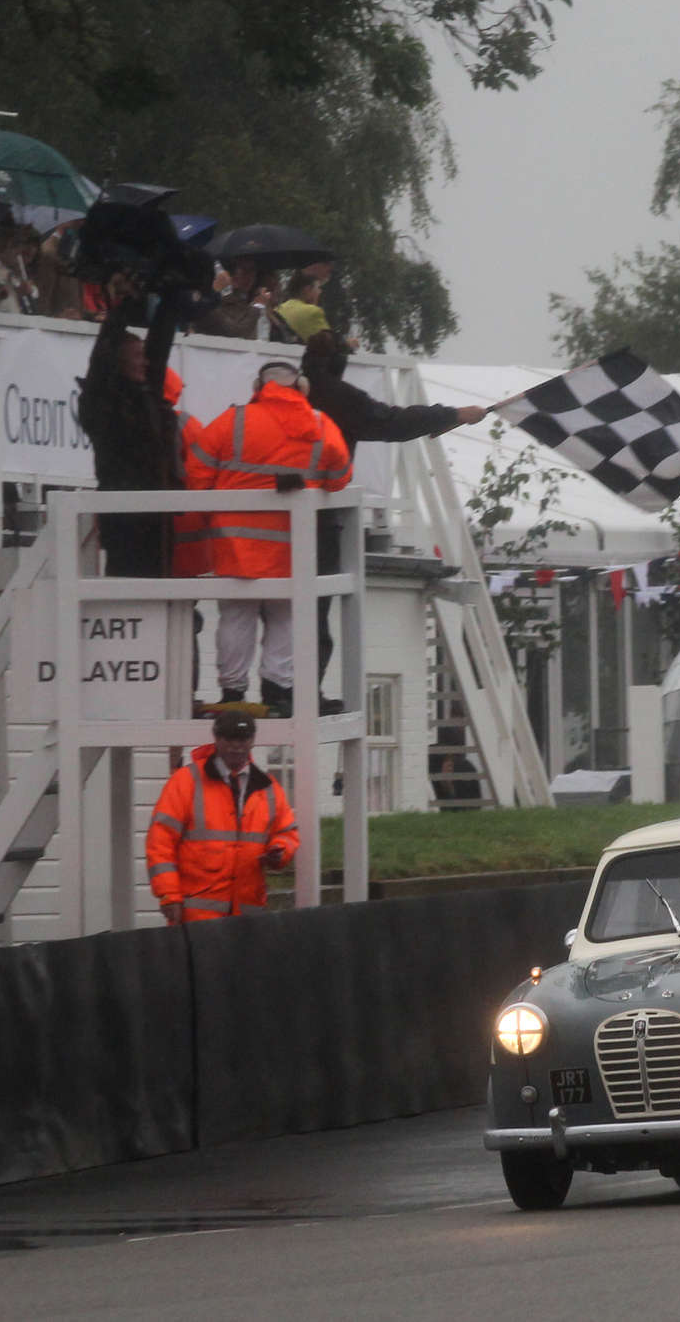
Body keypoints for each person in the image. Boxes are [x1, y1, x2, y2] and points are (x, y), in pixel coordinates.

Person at [301, 330, 484, 707]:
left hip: (259, 526)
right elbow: (392, 422)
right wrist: (453, 414)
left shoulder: (285, 398)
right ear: (337, 365)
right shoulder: (337, 397)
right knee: (311, 616)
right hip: (316, 523)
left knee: (264, 615)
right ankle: (304, 694)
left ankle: (268, 691)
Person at [188, 361, 353, 715]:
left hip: (234, 545)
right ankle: (277, 691)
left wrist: (211, 515)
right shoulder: (321, 425)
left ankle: (233, 694)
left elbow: (197, 472)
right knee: (286, 617)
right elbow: (340, 477)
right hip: (294, 546)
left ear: (258, 385)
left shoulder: (233, 421)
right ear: (302, 388)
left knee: (235, 617)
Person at [76, 274, 185, 577]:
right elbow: (100, 360)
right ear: (118, 361)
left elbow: (159, 348)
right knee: (126, 594)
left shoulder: (146, 395)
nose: (145, 362)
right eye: (137, 356)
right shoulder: (103, 404)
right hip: (125, 520)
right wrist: (119, 310)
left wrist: (171, 298)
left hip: (157, 520)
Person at [147, 710, 299, 923]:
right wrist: (168, 894)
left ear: (252, 741)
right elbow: (160, 841)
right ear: (217, 740)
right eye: (229, 739)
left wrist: (279, 851)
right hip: (195, 918)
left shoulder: (269, 788)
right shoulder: (186, 782)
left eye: (243, 739)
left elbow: (287, 833)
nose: (236, 745)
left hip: (247, 917)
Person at [192, 257, 274, 339]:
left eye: (252, 270)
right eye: (244, 270)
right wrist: (258, 306)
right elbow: (235, 334)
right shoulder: (207, 304)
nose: (249, 276)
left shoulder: (244, 301)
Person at [273, 270, 334, 341]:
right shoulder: (313, 311)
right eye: (318, 288)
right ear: (307, 290)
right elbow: (330, 344)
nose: (320, 292)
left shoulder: (277, 310)